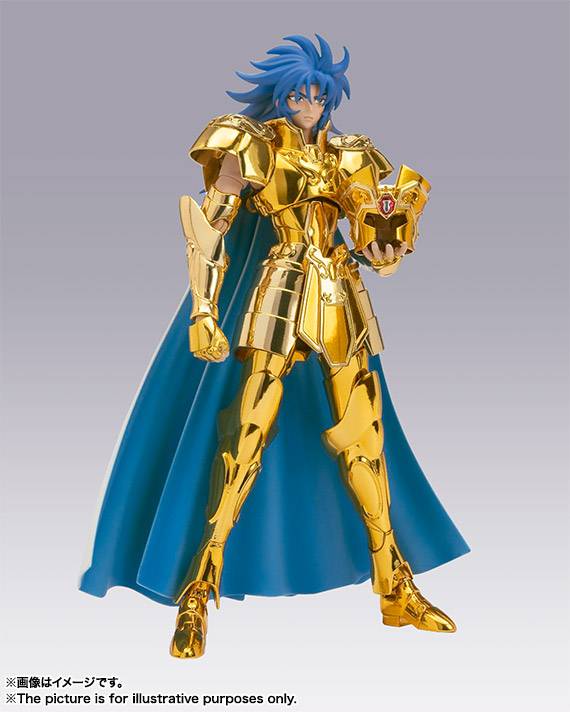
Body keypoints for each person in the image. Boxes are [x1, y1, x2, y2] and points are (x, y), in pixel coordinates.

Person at [79, 34, 469, 659]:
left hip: (339, 293)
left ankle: (393, 584)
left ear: (330, 99)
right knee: (245, 435)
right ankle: (199, 586)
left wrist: (386, 251)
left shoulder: (352, 155)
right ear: (281, 97)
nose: (308, 105)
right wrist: (204, 310)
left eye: (317, 95)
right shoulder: (251, 145)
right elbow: (211, 229)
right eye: (296, 95)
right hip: (279, 288)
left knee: (365, 440)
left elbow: (373, 242)